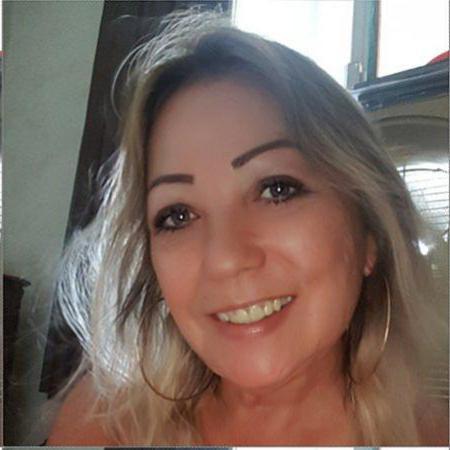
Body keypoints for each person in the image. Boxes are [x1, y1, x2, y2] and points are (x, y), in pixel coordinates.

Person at [46, 9, 448, 446]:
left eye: (277, 189)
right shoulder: (102, 425)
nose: (225, 258)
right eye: (177, 215)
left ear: (369, 233)